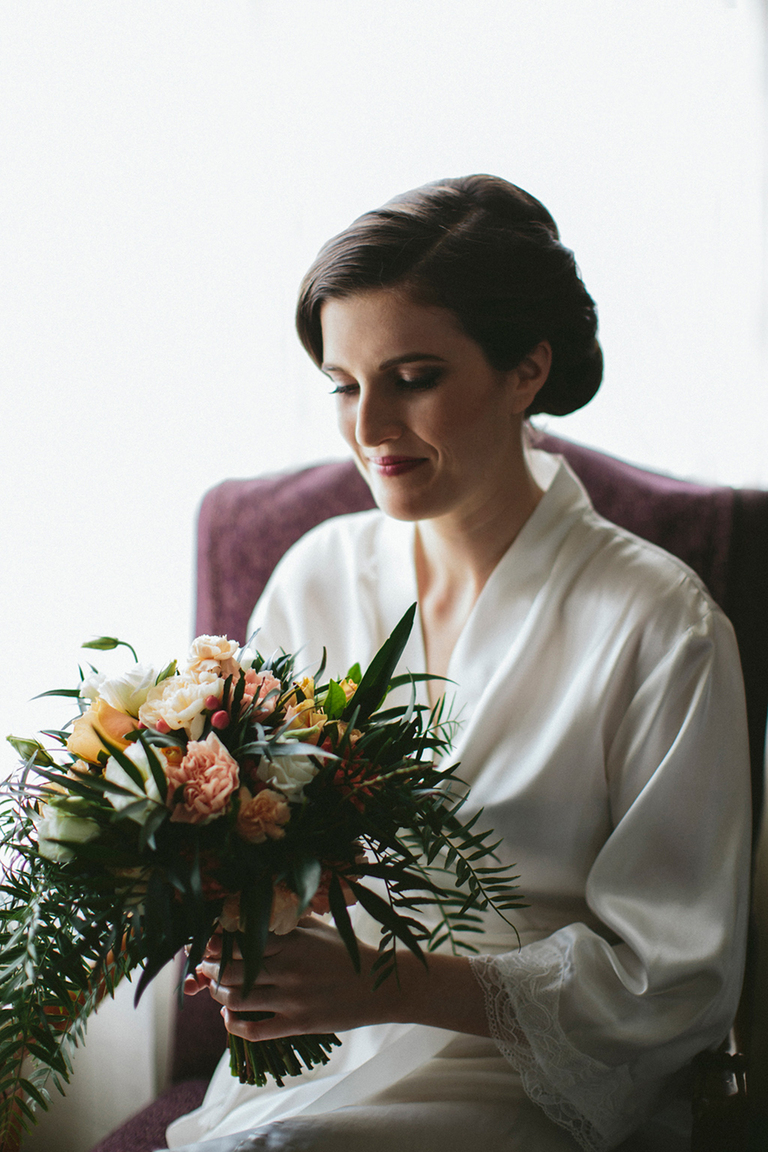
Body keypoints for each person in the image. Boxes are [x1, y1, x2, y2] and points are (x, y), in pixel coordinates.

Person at [166, 175, 751, 1152]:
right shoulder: (315, 575)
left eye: (414, 377)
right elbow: (251, 844)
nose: (369, 429)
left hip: (531, 1084)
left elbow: (677, 981)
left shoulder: (662, 624)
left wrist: (390, 983)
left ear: (527, 369)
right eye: (345, 386)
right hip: (315, 1060)